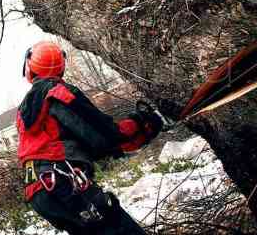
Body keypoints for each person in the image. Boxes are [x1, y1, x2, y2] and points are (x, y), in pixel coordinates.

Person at [17, 41, 165, 235]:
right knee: (117, 227)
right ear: (61, 67)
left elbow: (76, 144)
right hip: (62, 182)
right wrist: (142, 123)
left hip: (39, 191)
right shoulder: (59, 94)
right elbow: (105, 137)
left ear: (29, 67)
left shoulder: (23, 110)